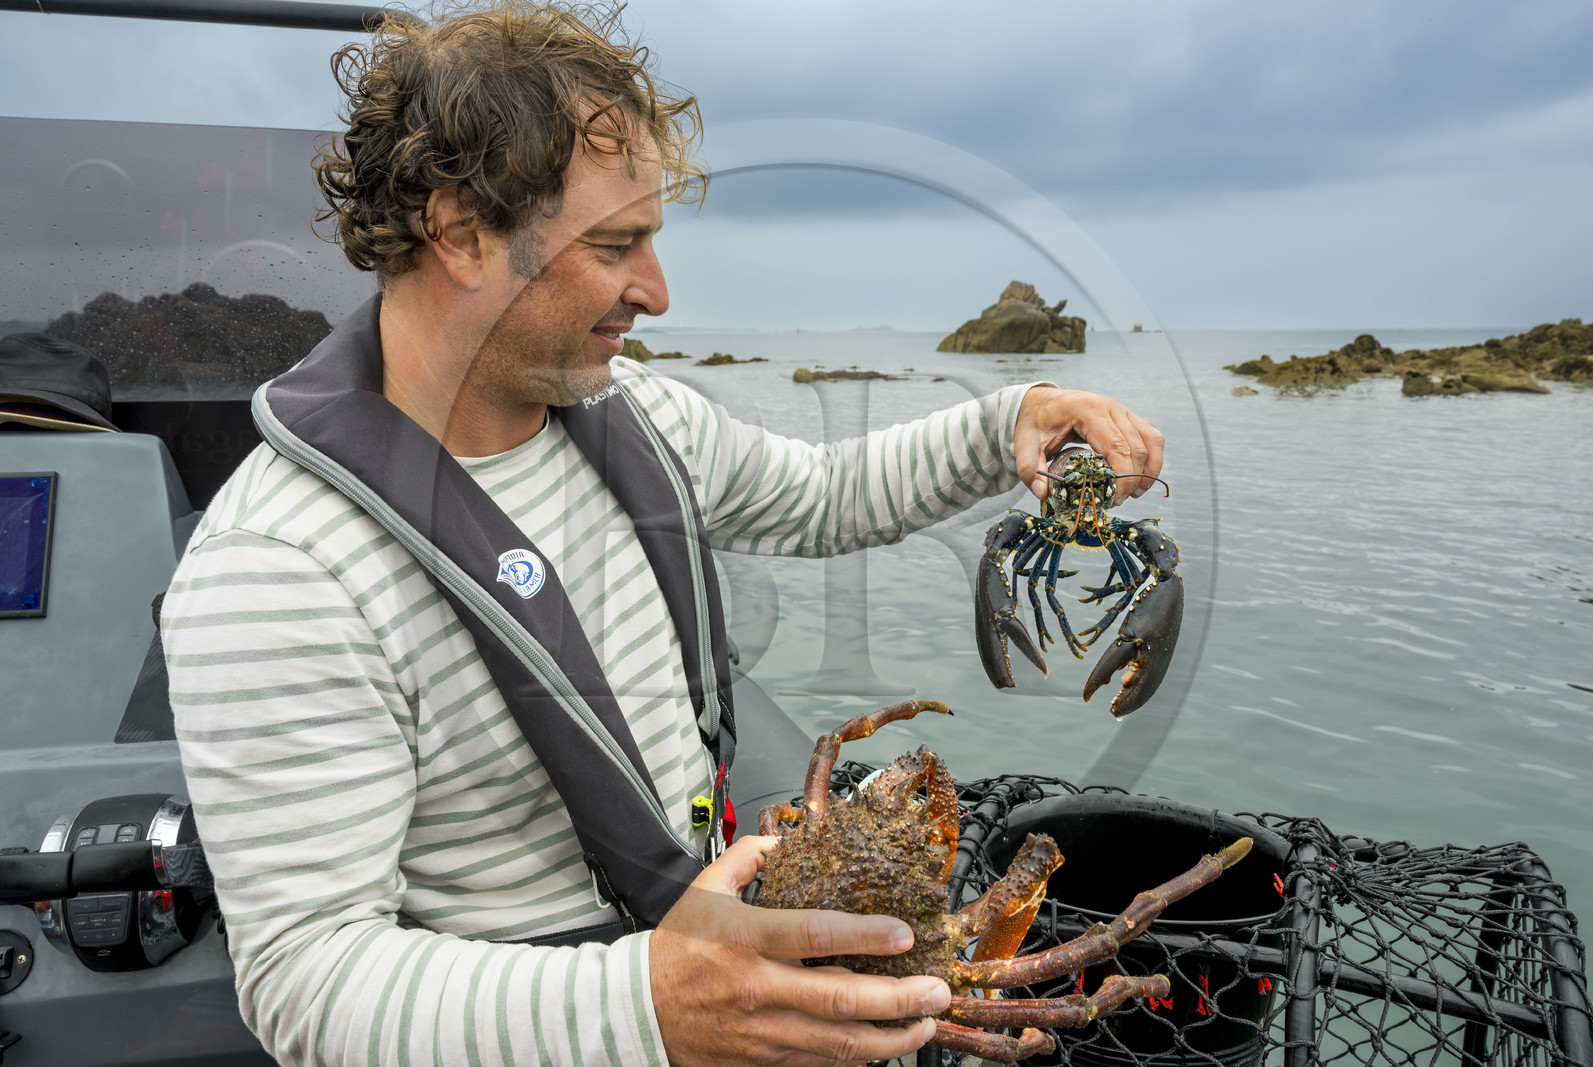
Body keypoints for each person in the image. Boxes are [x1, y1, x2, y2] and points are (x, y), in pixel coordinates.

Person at [159, 5, 1165, 1065]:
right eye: (613, 246)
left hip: (716, 944)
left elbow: (823, 492)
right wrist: (647, 1006)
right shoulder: (277, 566)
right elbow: (310, 981)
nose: (656, 290)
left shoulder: (631, 416)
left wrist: (1009, 419)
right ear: (459, 232)